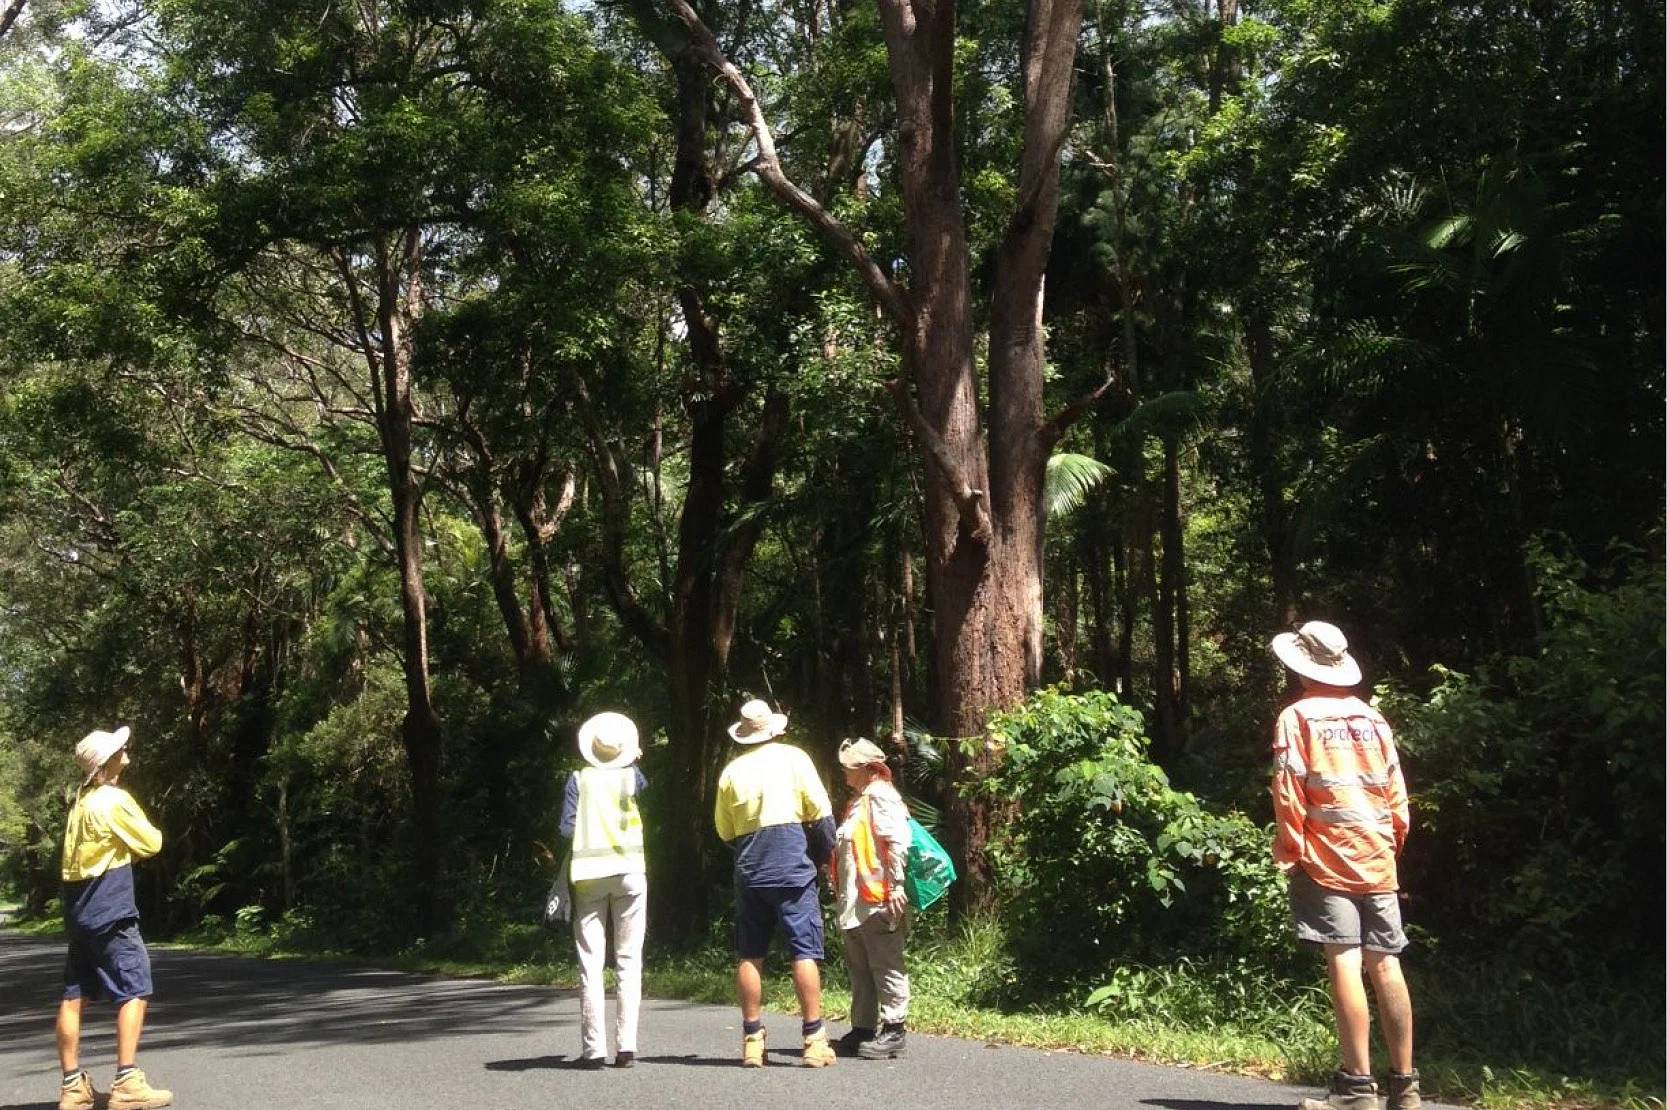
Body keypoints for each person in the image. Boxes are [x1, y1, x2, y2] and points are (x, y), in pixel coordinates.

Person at [1269, 622, 1419, 1110]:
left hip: (1327, 858)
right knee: (1386, 963)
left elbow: (1288, 789)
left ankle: (1357, 1089)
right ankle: (1405, 1086)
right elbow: (1396, 791)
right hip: (1377, 853)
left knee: (1345, 961)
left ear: (1301, 667)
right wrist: (1392, 842)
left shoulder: (1297, 717)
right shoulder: (1374, 719)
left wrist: (1291, 851)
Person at [714, 699, 837, 1068]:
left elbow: (724, 831)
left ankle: (752, 1039)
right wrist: (819, 860)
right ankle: (814, 1039)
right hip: (792, 865)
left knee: (750, 952)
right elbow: (822, 817)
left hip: (751, 867)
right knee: (804, 950)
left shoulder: (731, 773)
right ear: (775, 729)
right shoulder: (795, 758)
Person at [57, 726, 173, 1110]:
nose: (127, 753)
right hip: (111, 907)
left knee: (75, 995)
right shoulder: (112, 799)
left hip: (78, 911)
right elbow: (151, 842)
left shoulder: (81, 803)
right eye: (121, 749)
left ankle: (72, 1087)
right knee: (135, 989)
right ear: (107, 760)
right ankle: (127, 1082)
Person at [560, 712, 649, 1070]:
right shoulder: (632, 777)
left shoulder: (578, 781)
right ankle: (626, 1045)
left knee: (590, 963)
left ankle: (593, 1049)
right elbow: (642, 789)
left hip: (588, 875)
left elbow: (567, 830)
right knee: (629, 960)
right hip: (629, 872)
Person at [830, 737, 912, 1060]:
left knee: (886, 964)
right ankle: (862, 1028)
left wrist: (896, 887)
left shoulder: (881, 796)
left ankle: (894, 1029)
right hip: (857, 902)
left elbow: (897, 843)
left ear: (865, 768)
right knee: (860, 966)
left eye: (849, 766)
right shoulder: (859, 800)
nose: (844, 772)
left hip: (879, 899)